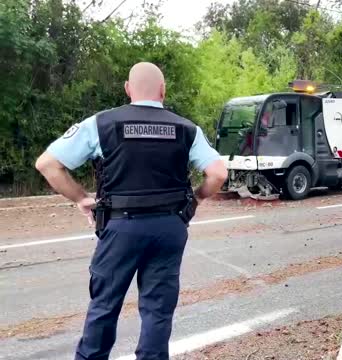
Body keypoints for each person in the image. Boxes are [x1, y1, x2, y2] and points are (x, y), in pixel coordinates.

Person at [35, 62, 228, 359]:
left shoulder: (101, 124)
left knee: (104, 306)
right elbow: (218, 174)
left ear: (128, 89)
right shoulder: (188, 129)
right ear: (163, 91)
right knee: (158, 311)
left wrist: (80, 197)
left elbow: (47, 164)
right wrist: (196, 199)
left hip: (120, 229)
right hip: (169, 228)